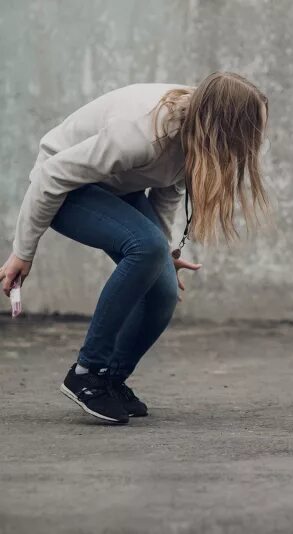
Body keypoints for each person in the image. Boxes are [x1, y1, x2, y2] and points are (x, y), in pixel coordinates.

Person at [0, 72, 270, 424]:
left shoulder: (198, 136)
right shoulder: (141, 133)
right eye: (251, 130)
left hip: (115, 189)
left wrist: (164, 258)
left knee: (164, 290)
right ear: (226, 125)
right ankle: (86, 373)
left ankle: (110, 379)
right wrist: (23, 252)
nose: (256, 140)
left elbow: (167, 191)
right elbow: (51, 175)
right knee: (145, 247)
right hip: (63, 189)